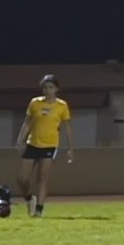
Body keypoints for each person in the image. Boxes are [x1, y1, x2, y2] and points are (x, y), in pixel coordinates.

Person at [15, 74, 75, 218]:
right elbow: (27, 122)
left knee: (42, 178)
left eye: (51, 87)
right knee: (21, 178)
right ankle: (30, 199)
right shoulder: (35, 103)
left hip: (49, 145)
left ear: (56, 89)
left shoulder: (62, 106)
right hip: (33, 143)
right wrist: (20, 140)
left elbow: (67, 127)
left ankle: (39, 210)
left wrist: (70, 148)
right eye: (45, 87)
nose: (48, 91)